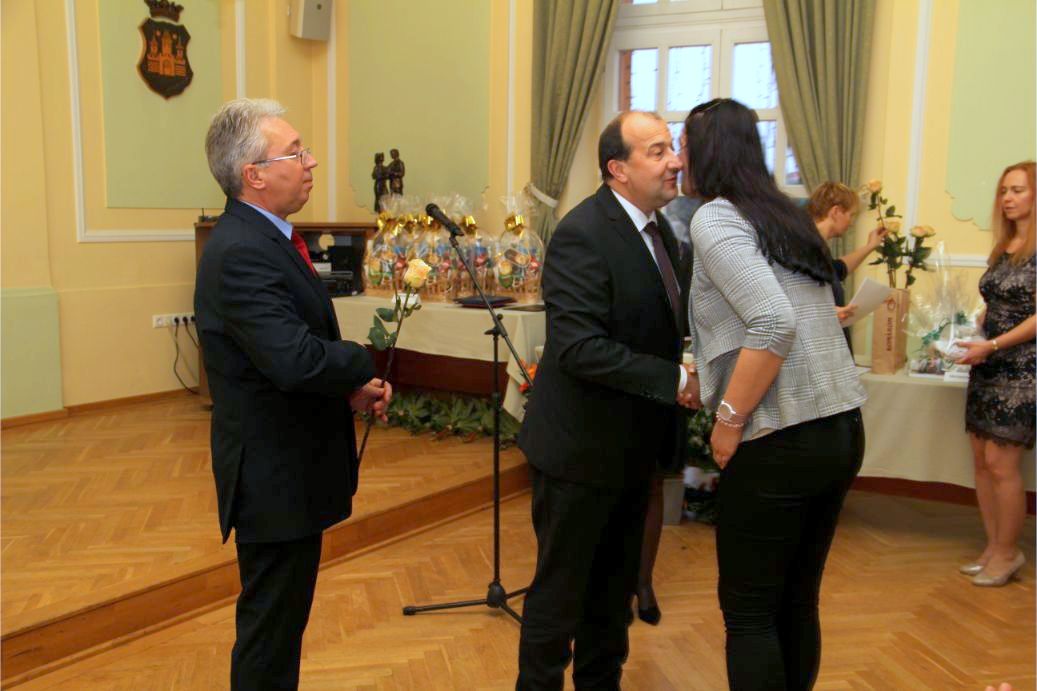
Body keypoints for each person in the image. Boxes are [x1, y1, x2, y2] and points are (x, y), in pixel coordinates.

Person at [195, 98, 391, 691]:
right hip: (273, 477)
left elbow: (280, 360)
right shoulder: (241, 251)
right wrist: (360, 360)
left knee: (281, 631)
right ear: (253, 175)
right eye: (295, 153)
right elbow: (294, 359)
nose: (311, 162)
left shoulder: (268, 238)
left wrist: (345, 392)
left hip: (292, 466)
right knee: (269, 638)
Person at [683, 98, 866, 690]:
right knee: (797, 598)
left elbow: (772, 321)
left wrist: (728, 419)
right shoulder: (784, 214)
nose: (679, 159)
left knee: (750, 612)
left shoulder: (717, 216)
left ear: (705, 151)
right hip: (840, 428)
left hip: (781, 436)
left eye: (682, 145)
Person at [516, 110, 697, 690]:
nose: (675, 161)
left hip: (631, 452)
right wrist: (675, 379)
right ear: (617, 168)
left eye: (671, 148)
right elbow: (580, 349)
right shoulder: (583, 233)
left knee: (613, 598)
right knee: (560, 598)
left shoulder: (662, 233)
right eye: (657, 151)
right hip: (579, 453)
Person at [955, 160, 1036, 587]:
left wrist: (994, 344)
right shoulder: (1005, 246)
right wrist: (978, 328)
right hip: (988, 364)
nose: (1007, 198)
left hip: (1023, 369)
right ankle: (993, 546)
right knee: (982, 463)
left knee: (1001, 465)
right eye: (1004, 190)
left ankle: (1008, 552)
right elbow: (998, 302)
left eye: (1017, 190)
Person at [806, 182, 888, 328]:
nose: (851, 223)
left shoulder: (816, 245)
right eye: (851, 215)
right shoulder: (806, 247)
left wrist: (870, 246)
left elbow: (837, 270)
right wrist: (828, 312)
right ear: (836, 212)